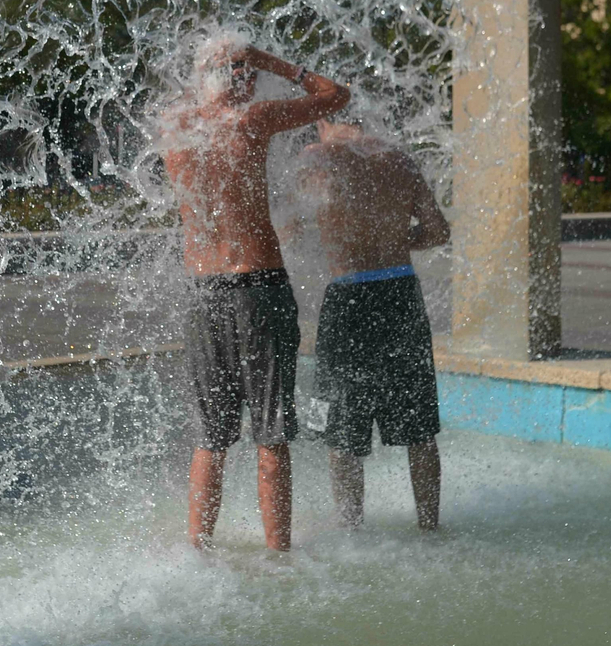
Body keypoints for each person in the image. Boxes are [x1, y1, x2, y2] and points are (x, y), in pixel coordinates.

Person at [161, 36, 349, 551]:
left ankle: (197, 551)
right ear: (244, 76)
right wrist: (277, 63)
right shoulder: (254, 119)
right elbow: (337, 97)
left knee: (210, 439)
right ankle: (278, 555)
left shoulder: (174, 126)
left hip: (201, 293)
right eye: (250, 74)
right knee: (271, 435)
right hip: (256, 288)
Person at [296, 112, 449, 530]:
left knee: (340, 431)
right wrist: (394, 240)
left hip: (349, 295)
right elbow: (437, 231)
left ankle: (351, 530)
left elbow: (291, 227)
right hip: (401, 292)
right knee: (419, 428)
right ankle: (430, 528)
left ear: (324, 119)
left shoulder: (317, 156)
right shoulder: (399, 159)